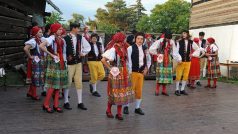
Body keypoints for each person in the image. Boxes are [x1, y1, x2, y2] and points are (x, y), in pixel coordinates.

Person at [101, 32, 134, 120]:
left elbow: (127, 61)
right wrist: (111, 68)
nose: (125, 39)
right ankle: (108, 110)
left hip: (124, 72)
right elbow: (103, 60)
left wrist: (129, 70)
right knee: (114, 93)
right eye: (124, 38)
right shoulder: (113, 49)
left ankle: (119, 113)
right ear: (121, 39)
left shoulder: (125, 48)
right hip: (116, 73)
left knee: (121, 94)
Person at [39, 23, 68, 113]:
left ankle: (56, 105)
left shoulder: (61, 39)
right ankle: (46, 104)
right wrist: (51, 54)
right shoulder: (51, 38)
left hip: (61, 62)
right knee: (52, 85)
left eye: (61, 29)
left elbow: (63, 52)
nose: (61, 30)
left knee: (58, 85)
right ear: (55, 30)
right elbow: (41, 46)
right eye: (59, 29)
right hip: (53, 64)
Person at [63, 23, 91, 110]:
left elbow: (87, 46)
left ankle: (80, 102)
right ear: (73, 28)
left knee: (79, 82)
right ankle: (66, 101)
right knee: (68, 82)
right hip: (69, 64)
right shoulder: (65, 38)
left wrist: (84, 53)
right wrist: (65, 61)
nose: (79, 29)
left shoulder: (80, 37)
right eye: (78, 28)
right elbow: (64, 51)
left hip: (78, 63)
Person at [123, 32, 151, 115]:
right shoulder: (130, 48)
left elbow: (149, 59)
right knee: (130, 90)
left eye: (141, 39)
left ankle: (137, 108)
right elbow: (128, 61)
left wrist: (146, 68)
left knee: (139, 90)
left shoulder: (145, 49)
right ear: (135, 39)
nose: (140, 40)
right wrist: (130, 72)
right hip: (133, 72)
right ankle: (126, 106)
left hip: (141, 73)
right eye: (138, 38)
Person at [149, 31, 177, 96]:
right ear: (165, 37)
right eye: (167, 38)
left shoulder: (172, 42)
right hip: (161, 58)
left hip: (168, 59)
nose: (168, 40)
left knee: (166, 74)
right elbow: (151, 49)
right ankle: (157, 89)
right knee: (160, 74)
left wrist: (177, 58)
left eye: (169, 39)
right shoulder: (160, 41)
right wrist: (157, 53)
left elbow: (174, 51)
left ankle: (164, 90)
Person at [24, 26, 45, 100]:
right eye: (39, 32)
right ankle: (34, 94)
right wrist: (30, 56)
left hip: (39, 62)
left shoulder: (39, 40)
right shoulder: (33, 41)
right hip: (34, 63)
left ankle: (30, 92)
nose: (41, 33)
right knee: (34, 78)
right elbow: (25, 48)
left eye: (41, 32)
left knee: (36, 77)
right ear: (35, 33)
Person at [174, 30, 196, 96]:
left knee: (186, 76)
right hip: (181, 61)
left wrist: (193, 54)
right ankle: (177, 89)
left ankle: (182, 89)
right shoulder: (179, 42)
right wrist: (179, 59)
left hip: (188, 61)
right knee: (178, 75)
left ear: (187, 34)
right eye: (182, 33)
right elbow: (176, 52)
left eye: (185, 33)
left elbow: (198, 49)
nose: (183, 34)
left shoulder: (191, 42)